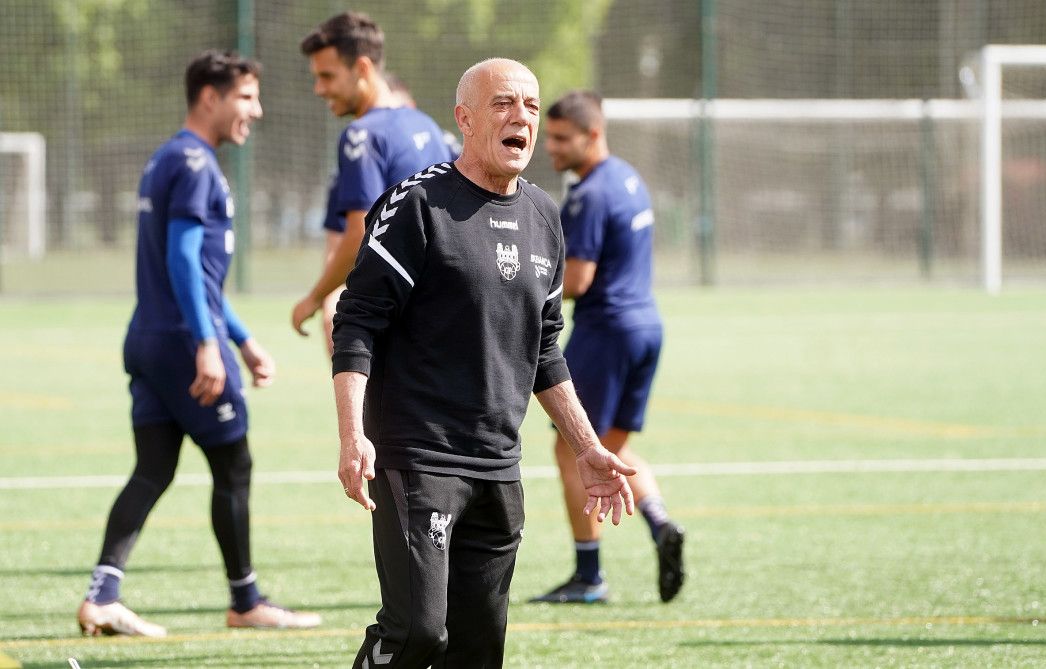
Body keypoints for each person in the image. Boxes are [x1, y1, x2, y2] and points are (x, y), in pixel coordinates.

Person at [332, 58, 637, 667]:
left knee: (477, 652)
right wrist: (352, 435)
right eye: (503, 103)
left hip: (500, 468)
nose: (521, 116)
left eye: (529, 104)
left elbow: (545, 348)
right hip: (421, 459)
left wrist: (585, 446)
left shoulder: (545, 216)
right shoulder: (417, 205)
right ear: (465, 119)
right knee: (417, 634)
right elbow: (356, 321)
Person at [76, 50, 321, 637]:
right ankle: (246, 602)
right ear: (209, 97)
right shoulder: (196, 165)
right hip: (183, 343)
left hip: (150, 337)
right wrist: (209, 346)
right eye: (246, 97)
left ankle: (102, 595)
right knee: (234, 465)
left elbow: (200, 278)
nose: (256, 111)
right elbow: (183, 261)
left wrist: (242, 338)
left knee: (154, 468)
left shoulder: (167, 157)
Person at [531, 90, 685, 605]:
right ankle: (660, 522)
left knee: (569, 446)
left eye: (559, 138)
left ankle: (588, 575)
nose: (548, 147)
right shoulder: (628, 177)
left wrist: (520, 287)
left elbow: (576, 279)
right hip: (647, 326)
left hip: (606, 331)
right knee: (611, 450)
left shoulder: (590, 193)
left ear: (592, 134)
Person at [292, 11, 455, 355]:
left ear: (362, 68)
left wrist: (315, 298)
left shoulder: (362, 136)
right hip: (444, 313)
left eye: (327, 76)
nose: (319, 89)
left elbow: (359, 233)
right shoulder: (426, 124)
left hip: (396, 321)